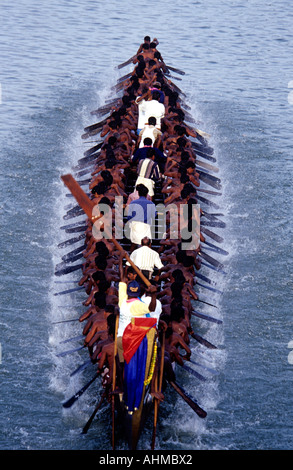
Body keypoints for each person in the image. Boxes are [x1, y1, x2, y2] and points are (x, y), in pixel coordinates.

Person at [116, 251, 157, 363]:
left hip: (120, 339)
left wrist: (121, 261)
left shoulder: (122, 301)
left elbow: (122, 279)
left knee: (121, 363)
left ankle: (119, 378)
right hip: (132, 341)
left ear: (128, 292)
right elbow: (152, 308)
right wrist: (153, 294)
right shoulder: (138, 305)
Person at [126, 184, 157, 248]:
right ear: (146, 194)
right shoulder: (151, 203)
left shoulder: (133, 203)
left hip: (135, 225)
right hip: (146, 225)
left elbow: (129, 216)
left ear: (138, 194)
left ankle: (130, 256)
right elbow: (154, 215)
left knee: (133, 244)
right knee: (148, 245)